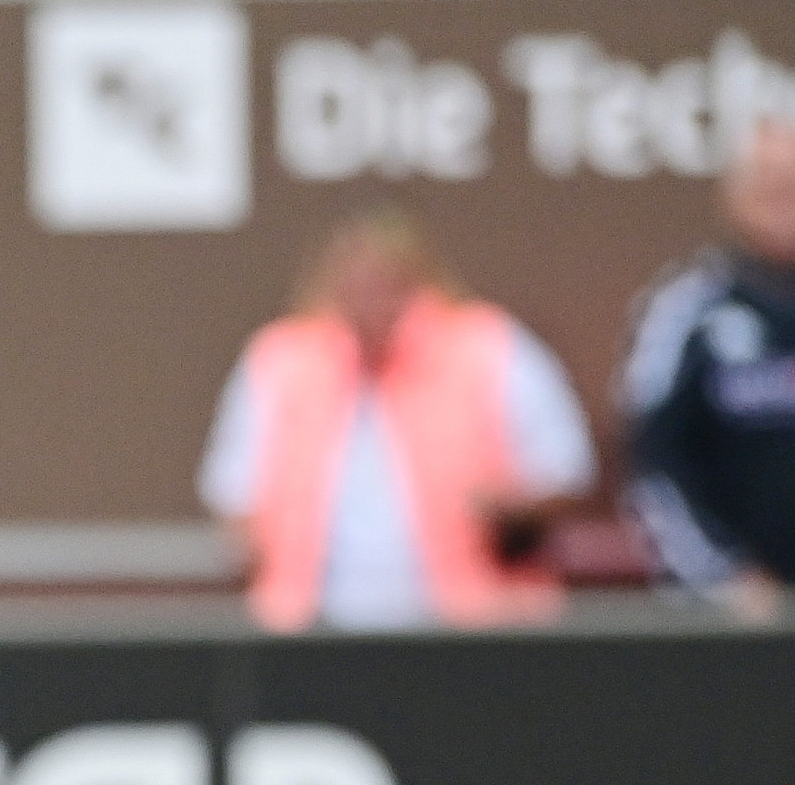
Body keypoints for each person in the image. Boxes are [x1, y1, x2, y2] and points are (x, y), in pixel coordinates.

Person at [200, 212, 595, 633]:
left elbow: (564, 469)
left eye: (385, 285)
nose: (370, 301)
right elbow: (234, 495)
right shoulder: (281, 359)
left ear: (419, 282)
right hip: (310, 630)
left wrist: (506, 508)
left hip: (471, 628)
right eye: (356, 286)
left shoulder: (487, 345)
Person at [623, 115, 795, 612]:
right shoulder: (689, 311)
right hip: (733, 614)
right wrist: (724, 579)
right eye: (768, 183)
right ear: (735, 195)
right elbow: (655, 463)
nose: (782, 197)